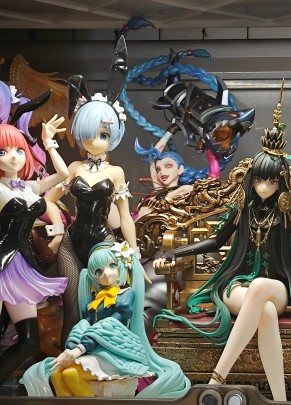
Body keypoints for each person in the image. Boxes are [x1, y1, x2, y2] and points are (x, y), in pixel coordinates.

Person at [153, 94, 291, 401]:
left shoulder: (286, 214)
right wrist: (175, 252)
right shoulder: (243, 209)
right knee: (263, 310)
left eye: (272, 182)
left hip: (277, 288)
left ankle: (215, 381)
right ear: (251, 180)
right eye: (259, 181)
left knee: (262, 288)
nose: (264, 187)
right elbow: (216, 241)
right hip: (236, 285)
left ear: (281, 183)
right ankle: (279, 399)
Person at [45, 83, 148, 346]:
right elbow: (49, 199)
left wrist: (134, 254)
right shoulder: (74, 167)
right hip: (71, 244)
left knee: (105, 306)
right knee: (72, 308)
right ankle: (67, 361)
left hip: (104, 245)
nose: (93, 141)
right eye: (88, 134)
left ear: (113, 135)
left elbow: (125, 217)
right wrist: (57, 231)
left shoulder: (116, 172)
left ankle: (102, 358)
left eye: (102, 135)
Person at [20, 242, 190, 399]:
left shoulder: (125, 295)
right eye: (98, 271)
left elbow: (111, 324)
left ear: (122, 267)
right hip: (94, 349)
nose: (106, 273)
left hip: (114, 350)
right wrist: (72, 346)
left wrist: (80, 349)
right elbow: (85, 323)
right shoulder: (96, 300)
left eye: (112, 266)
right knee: (57, 376)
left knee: (70, 375)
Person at [0, 83, 70, 385]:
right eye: (3, 151)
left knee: (29, 341)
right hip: (2, 264)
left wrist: (49, 143)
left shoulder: (28, 187)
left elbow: (64, 175)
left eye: (19, 149)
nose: (14, 157)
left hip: (20, 267)